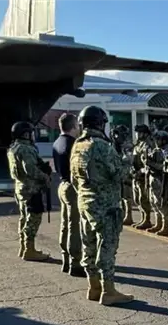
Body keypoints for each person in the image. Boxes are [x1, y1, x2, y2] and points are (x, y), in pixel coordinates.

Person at [70, 106, 134, 306]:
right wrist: (128, 162)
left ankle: (93, 286)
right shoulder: (102, 146)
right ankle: (109, 291)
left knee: (88, 245)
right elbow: (118, 175)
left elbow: (74, 178)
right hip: (106, 206)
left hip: (85, 202)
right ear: (100, 123)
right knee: (107, 246)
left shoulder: (78, 145)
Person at [6, 121, 51, 262]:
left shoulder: (13, 148)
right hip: (31, 189)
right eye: (30, 133)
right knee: (33, 219)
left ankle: (24, 247)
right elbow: (30, 170)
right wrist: (45, 177)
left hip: (20, 188)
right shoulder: (26, 149)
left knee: (24, 218)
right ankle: (29, 250)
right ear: (26, 134)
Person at [51, 112, 84, 277]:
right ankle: (75, 262)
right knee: (75, 226)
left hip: (62, 184)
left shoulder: (57, 142)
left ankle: (65, 258)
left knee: (65, 224)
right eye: (77, 126)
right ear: (73, 126)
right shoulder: (74, 144)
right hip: (72, 188)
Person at [143, 131, 168, 236]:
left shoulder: (167, 151)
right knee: (154, 202)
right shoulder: (155, 150)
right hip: (153, 178)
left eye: (158, 139)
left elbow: (165, 167)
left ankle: (165, 226)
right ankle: (158, 223)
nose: (156, 142)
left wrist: (152, 164)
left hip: (161, 179)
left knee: (162, 203)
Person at [131, 124, 153, 230]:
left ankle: (147, 219)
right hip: (137, 175)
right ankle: (143, 217)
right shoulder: (138, 145)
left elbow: (148, 163)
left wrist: (141, 171)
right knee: (137, 198)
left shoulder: (148, 145)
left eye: (139, 132)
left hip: (144, 175)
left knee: (144, 198)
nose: (137, 135)